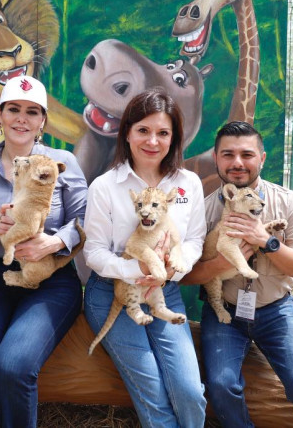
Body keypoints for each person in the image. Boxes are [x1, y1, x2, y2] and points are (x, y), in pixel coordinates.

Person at [0, 76, 88, 428]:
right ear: (0, 115)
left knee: (13, 366)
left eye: (31, 112)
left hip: (53, 279)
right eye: (14, 109)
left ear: (42, 120)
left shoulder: (62, 162)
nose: (21, 118)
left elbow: (88, 220)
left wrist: (55, 242)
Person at [182, 121, 293, 427]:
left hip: (276, 311)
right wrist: (222, 263)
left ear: (262, 158)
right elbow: (186, 276)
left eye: (247, 154)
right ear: (216, 159)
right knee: (222, 387)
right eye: (228, 154)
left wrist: (264, 241)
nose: (237, 162)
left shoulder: (287, 202)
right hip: (225, 313)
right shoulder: (202, 211)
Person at [82, 87, 207, 427]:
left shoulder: (189, 183)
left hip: (165, 293)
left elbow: (195, 239)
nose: (153, 141)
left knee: (190, 393)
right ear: (127, 133)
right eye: (143, 130)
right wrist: (134, 267)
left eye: (163, 132)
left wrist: (174, 267)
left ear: (174, 137)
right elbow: (93, 251)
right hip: (113, 293)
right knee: (152, 391)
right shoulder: (106, 186)